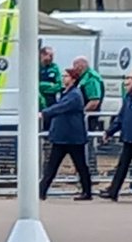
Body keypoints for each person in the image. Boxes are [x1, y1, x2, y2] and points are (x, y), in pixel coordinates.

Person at [39, 68, 92, 200]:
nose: (63, 78)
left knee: (80, 165)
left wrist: (45, 113)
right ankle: (41, 191)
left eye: (66, 76)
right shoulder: (65, 93)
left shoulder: (75, 95)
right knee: (52, 165)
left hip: (73, 137)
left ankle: (87, 191)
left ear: (73, 79)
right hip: (62, 137)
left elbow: (61, 107)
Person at [100, 73, 132, 200]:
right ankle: (113, 192)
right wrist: (109, 132)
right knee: (122, 166)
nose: (126, 82)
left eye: (130, 79)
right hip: (129, 139)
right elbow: (121, 118)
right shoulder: (129, 97)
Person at [71, 55, 105, 132]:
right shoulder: (82, 77)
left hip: (88, 117)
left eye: (74, 66)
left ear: (80, 66)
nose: (73, 68)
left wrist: (81, 113)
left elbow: (94, 101)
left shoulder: (91, 78)